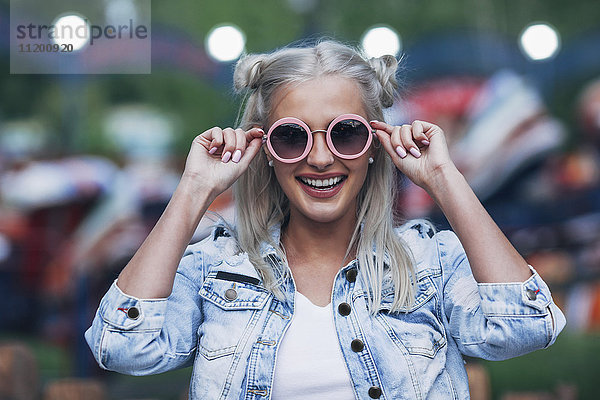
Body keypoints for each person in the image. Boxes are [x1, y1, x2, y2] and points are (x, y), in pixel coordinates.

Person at [85, 40, 565, 399]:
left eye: (346, 133)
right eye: (292, 138)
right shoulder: (216, 268)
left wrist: (443, 176)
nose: (319, 158)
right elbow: (122, 346)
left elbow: (527, 327)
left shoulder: (430, 263)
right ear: (265, 150)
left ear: (374, 145)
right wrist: (193, 190)